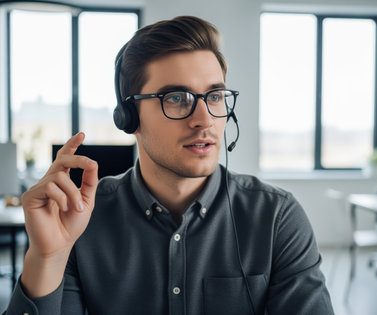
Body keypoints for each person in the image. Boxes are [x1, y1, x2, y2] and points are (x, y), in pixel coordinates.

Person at [5, 16, 334, 315]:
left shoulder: (276, 216)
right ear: (129, 117)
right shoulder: (83, 218)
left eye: (215, 96)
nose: (204, 120)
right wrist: (45, 257)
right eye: (177, 98)